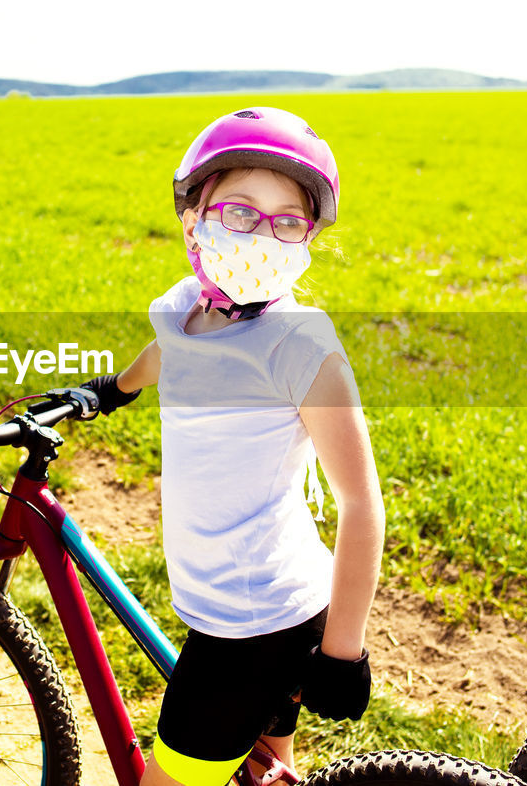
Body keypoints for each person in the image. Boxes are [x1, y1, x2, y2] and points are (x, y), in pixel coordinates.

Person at [84, 106, 385, 786]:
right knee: (267, 771)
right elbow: (169, 349)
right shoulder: (183, 305)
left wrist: (343, 651)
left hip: (256, 624)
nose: (263, 235)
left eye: (288, 221)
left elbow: (361, 503)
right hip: (238, 598)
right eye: (241, 212)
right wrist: (114, 390)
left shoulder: (300, 348)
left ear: (308, 238)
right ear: (194, 221)